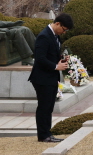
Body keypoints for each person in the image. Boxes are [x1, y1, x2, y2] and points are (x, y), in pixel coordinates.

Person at [28, 13, 74, 142]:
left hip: (51, 77)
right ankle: (43, 135)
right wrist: (55, 66)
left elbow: (51, 54)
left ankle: (47, 133)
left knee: (49, 106)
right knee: (44, 107)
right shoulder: (44, 36)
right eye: (64, 29)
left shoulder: (55, 36)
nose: (64, 32)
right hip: (42, 78)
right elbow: (40, 58)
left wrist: (62, 59)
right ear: (57, 23)